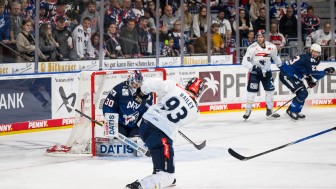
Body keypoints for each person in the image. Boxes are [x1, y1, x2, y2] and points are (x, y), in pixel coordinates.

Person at [125, 77, 205, 189]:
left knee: (162, 167)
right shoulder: (196, 113)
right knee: (168, 176)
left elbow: (150, 83)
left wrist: (141, 92)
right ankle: (140, 186)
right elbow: (178, 121)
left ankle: (159, 175)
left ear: (187, 85)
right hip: (160, 135)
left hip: (145, 125)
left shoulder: (174, 87)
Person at [278, 43, 335, 121]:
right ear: (310, 50)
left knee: (303, 93)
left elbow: (305, 71)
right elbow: (314, 74)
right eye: (314, 51)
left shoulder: (306, 57)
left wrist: (309, 80)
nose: (316, 54)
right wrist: (326, 71)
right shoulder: (309, 59)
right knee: (302, 92)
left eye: (317, 52)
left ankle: (294, 111)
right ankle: (292, 111)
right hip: (287, 74)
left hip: (292, 75)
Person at [242, 29, 282, 120]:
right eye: (258, 37)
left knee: (270, 92)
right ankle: (248, 111)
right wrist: (253, 68)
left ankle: (269, 111)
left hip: (267, 73)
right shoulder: (252, 47)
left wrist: (281, 67)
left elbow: (276, 58)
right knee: (251, 94)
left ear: (265, 37)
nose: (260, 39)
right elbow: (244, 61)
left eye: (261, 37)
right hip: (255, 74)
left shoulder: (272, 47)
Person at [102, 70, 153, 138]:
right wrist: (112, 127)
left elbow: (148, 112)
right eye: (135, 84)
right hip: (119, 125)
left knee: (138, 140)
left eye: (139, 84)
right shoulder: (119, 89)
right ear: (130, 82)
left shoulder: (146, 93)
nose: (137, 87)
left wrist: (145, 127)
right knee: (117, 140)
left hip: (135, 126)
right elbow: (108, 107)